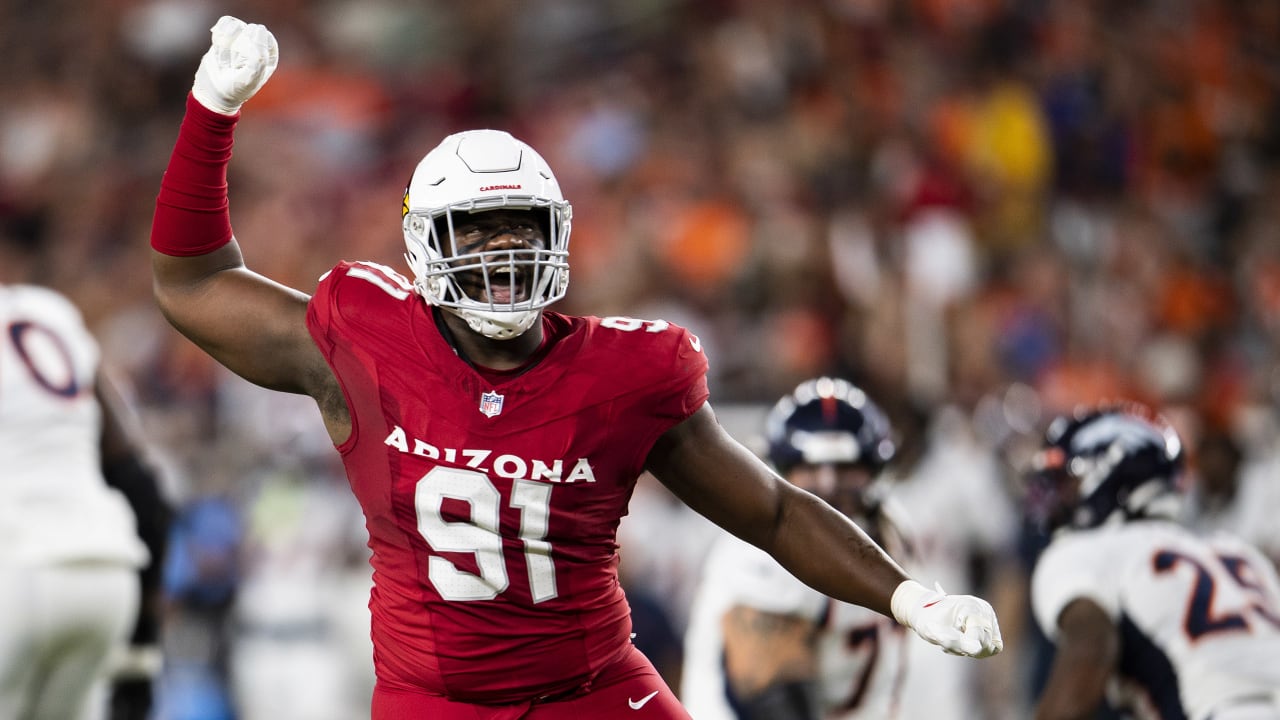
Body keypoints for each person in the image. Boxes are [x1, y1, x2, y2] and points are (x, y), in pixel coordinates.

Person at [148, 16, 1003, 719]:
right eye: (474, 232)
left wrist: (908, 597)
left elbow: (772, 512)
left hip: (590, 692)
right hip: (434, 703)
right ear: (420, 246)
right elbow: (192, 282)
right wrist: (212, 107)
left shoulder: (626, 371)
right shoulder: (365, 340)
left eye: (519, 225)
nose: (502, 251)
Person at [1026, 403, 1280, 720]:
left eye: (1070, 483)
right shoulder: (1239, 553)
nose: (1057, 498)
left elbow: (1092, 647)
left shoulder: (1083, 550)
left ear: (1111, 477)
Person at [681, 377, 916, 719]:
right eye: (808, 467)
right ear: (776, 470)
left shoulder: (891, 526)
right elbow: (773, 699)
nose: (828, 483)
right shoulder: (759, 554)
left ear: (875, 469)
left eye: (847, 467)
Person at [0, 254, 171, 719]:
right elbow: (139, 481)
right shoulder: (47, 311)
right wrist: (141, 650)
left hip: (16, 566)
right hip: (104, 572)